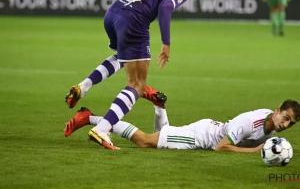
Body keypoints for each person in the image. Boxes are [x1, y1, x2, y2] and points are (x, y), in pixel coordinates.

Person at [61, 0, 211, 149]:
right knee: (138, 85)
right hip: (134, 22)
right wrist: (166, 42)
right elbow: (166, 6)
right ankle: (102, 129)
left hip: (113, 13)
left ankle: (84, 86)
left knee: (123, 58)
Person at [64, 96, 300, 152]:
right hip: (201, 136)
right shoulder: (252, 121)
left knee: (159, 136)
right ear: (277, 111)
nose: (285, 124)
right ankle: (91, 118)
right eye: (286, 117)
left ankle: (159, 105)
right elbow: (221, 147)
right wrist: (256, 151)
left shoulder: (271, 129)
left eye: (290, 124)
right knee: (145, 141)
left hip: (206, 131)